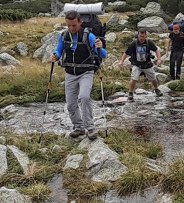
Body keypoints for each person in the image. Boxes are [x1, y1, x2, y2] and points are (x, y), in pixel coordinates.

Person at [50, 10, 107, 140]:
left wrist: (100, 47)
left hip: (86, 72)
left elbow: (103, 54)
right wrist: (55, 56)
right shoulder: (63, 35)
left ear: (80, 23)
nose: (71, 28)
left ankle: (91, 128)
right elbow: (59, 50)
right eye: (68, 25)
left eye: (74, 25)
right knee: (70, 104)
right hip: (70, 73)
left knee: (84, 97)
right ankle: (78, 128)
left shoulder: (89, 36)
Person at [118, 29, 163, 101]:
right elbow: (126, 53)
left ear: (145, 35)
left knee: (153, 78)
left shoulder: (149, 42)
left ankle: (156, 89)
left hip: (147, 64)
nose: (141, 38)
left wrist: (159, 59)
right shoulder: (134, 43)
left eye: (143, 36)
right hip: (136, 64)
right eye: (140, 36)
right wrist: (121, 62)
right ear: (138, 35)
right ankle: (130, 92)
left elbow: (156, 50)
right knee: (134, 78)